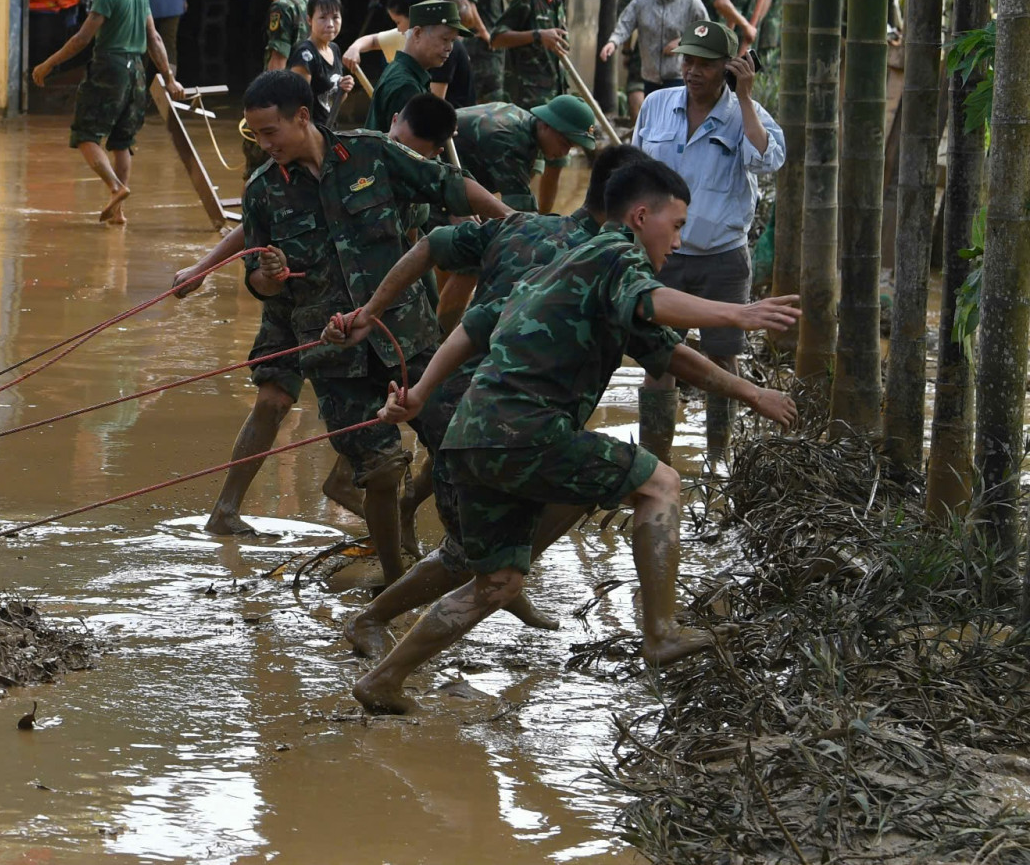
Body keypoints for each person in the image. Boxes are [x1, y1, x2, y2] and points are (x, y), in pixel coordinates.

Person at [348, 160, 800, 712]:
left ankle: (382, 681)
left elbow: (478, 324)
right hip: (526, 432)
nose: (679, 242)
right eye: (676, 225)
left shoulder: (565, 264)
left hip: (471, 435)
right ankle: (661, 633)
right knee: (660, 484)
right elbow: (651, 303)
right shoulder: (617, 256)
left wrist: (419, 393)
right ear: (640, 216)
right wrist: (738, 312)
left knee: (497, 582)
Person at [328, 144, 655, 654]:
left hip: (494, 415)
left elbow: (435, 245)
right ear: (639, 208)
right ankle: (380, 619)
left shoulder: (524, 225)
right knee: (467, 556)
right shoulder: (603, 264)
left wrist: (371, 311)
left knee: (565, 494)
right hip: (493, 418)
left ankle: (503, 575)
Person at [239, 72, 508, 587]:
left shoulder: (372, 154)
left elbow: (450, 185)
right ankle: (395, 577)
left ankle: (478, 567)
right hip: (334, 358)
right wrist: (268, 276)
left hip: (410, 339)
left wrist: (513, 221)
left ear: (302, 116)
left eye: (272, 132)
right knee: (381, 470)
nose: (266, 146)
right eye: (258, 136)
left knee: (459, 446)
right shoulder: (263, 191)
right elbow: (258, 282)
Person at [177, 93, 463, 537]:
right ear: (392, 123)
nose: (407, 151)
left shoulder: (406, 181)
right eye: (401, 139)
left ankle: (363, 495)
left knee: (382, 406)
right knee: (273, 400)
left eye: (418, 151)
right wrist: (202, 267)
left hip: (361, 311)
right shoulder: (356, 149)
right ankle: (226, 510)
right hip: (296, 302)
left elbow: (413, 253)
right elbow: (260, 222)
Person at [630, 19, 786, 459]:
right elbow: (634, 172)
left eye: (704, 63)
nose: (692, 70)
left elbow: (768, 160)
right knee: (660, 359)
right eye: (687, 60)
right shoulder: (657, 105)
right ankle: (654, 461)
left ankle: (718, 458)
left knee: (722, 360)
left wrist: (746, 98)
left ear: (730, 68)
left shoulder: (746, 115)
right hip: (662, 260)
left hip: (722, 259)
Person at [33, 0, 185, 225]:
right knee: (121, 141)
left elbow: (81, 39)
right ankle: (117, 211)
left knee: (85, 135)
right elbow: (153, 38)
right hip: (136, 73)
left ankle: (116, 187)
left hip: (110, 68)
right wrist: (169, 78)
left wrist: (48, 64)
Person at [598, 0, 711, 114]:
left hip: (679, 74)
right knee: (654, 116)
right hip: (650, 74)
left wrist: (682, 43)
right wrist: (613, 42)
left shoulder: (691, 2)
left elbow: (705, 32)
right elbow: (626, 22)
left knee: (674, 116)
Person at [452, 94, 598, 211]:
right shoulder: (510, 142)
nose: (565, 153)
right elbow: (520, 219)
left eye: (571, 147)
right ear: (546, 125)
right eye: (564, 144)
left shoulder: (526, 122)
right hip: (435, 181)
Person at [244, 0, 316, 178]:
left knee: (256, 166)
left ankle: (253, 212)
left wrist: (261, 102)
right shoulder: (313, 3)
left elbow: (278, 59)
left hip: (281, 100)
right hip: (306, 102)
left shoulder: (283, 7)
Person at [489, 0, 578, 111]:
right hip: (527, 96)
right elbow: (497, 38)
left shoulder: (558, 0)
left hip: (553, 92)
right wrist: (537, 35)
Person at [365, 0, 470, 133]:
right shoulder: (406, 86)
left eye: (453, 41)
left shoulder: (409, 74)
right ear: (417, 33)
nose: (449, 48)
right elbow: (411, 149)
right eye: (444, 39)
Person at [288, 0, 356, 124]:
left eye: (335, 17)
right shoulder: (305, 55)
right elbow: (297, 102)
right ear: (309, 20)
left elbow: (330, 103)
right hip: (309, 133)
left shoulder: (334, 49)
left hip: (327, 130)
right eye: (323, 18)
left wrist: (344, 89)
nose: (330, 24)